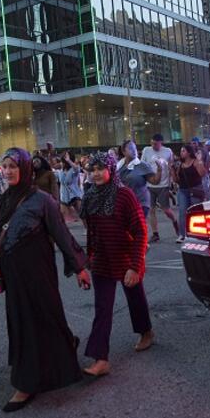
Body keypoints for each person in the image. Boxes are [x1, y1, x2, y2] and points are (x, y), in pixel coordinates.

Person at [0, 147, 91, 412]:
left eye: (13, 166)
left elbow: (62, 235)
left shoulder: (42, 200)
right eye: (5, 167)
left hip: (39, 273)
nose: (8, 171)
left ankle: (26, 384)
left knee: (45, 317)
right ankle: (47, 360)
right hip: (13, 275)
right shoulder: (2, 201)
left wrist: (79, 268)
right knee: (22, 322)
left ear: (25, 168)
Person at [80, 152, 153, 377]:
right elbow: (91, 232)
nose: (96, 174)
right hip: (101, 259)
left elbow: (140, 231)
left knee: (135, 298)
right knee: (102, 307)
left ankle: (146, 332)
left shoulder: (124, 195)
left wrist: (134, 265)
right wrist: (88, 258)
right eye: (92, 170)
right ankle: (100, 359)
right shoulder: (90, 196)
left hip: (125, 257)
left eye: (100, 168)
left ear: (111, 169)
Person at [141, 134, 179, 243]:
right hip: (149, 185)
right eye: (152, 143)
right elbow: (142, 164)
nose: (153, 145)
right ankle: (155, 233)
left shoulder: (168, 151)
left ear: (161, 142)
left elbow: (171, 166)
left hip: (163, 185)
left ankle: (175, 221)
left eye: (156, 144)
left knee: (166, 210)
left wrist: (172, 183)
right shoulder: (146, 150)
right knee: (151, 210)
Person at [117, 140, 162, 218]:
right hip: (125, 203)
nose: (134, 150)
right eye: (130, 148)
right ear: (123, 152)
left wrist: (159, 170)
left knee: (137, 224)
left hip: (141, 203)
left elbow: (155, 181)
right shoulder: (119, 166)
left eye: (135, 148)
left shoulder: (142, 165)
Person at [175, 144, 207, 243]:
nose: (181, 153)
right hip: (182, 190)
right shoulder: (180, 164)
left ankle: (198, 233)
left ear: (189, 152)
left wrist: (200, 161)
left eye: (183, 151)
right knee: (182, 212)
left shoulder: (196, 162)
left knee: (195, 212)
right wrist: (171, 170)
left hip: (195, 189)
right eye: (181, 151)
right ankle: (182, 234)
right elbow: (176, 179)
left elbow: (203, 174)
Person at [58, 152, 83, 221]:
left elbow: (76, 169)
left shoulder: (73, 169)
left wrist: (69, 160)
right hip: (64, 197)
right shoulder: (60, 171)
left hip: (75, 196)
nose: (61, 163)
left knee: (82, 216)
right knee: (64, 219)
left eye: (62, 161)